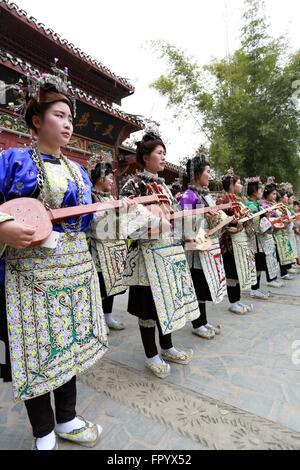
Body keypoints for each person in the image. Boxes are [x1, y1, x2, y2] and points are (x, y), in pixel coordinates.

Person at [0, 70, 107, 450]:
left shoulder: (79, 171)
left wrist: (117, 211)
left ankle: (67, 418)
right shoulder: (11, 160)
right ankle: (43, 431)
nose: (67, 124)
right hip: (30, 277)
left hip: (74, 272)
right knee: (35, 350)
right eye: (59, 115)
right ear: (36, 120)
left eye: (70, 118)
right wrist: (2, 227)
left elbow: (92, 221)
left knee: (68, 345)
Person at [120, 132, 198, 379]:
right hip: (146, 255)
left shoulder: (164, 185)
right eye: (159, 153)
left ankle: (167, 346)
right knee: (148, 307)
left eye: (165, 153)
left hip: (168, 253)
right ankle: (151, 353)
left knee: (167, 302)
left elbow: (173, 216)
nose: (163, 158)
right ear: (145, 157)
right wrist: (154, 224)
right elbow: (125, 221)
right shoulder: (132, 184)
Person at [179, 157, 225, 340]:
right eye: (207, 171)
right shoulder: (188, 196)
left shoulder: (206, 195)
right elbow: (185, 226)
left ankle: (203, 320)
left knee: (204, 285)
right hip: (195, 249)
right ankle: (197, 324)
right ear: (197, 173)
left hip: (208, 246)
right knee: (197, 284)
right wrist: (203, 219)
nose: (209, 175)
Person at [88, 158, 127, 332]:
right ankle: (97, 320)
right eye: (110, 177)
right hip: (97, 248)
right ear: (100, 178)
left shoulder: (111, 197)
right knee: (100, 285)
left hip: (113, 248)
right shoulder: (90, 196)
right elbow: (92, 222)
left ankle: (108, 317)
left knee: (112, 284)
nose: (112, 181)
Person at [217, 170, 255, 315]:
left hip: (240, 241)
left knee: (239, 271)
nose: (240, 185)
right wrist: (234, 224)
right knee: (232, 272)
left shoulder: (240, 201)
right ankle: (233, 302)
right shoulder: (222, 201)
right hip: (229, 243)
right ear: (231, 185)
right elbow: (221, 222)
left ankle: (237, 300)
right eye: (238, 183)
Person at [245, 179, 278, 299]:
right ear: (254, 191)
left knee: (259, 266)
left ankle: (256, 288)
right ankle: (254, 289)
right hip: (255, 240)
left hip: (259, 240)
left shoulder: (256, 204)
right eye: (260, 189)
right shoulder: (251, 206)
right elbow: (256, 224)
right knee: (256, 265)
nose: (261, 192)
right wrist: (267, 220)